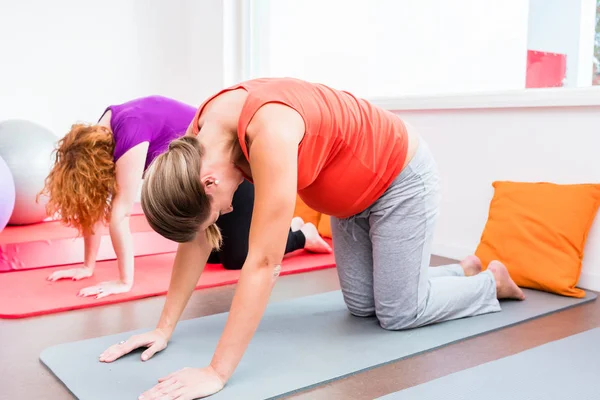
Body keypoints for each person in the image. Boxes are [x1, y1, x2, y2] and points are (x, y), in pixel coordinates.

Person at [98, 78, 525, 399]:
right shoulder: (196, 143)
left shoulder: (270, 133)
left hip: (400, 180)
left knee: (397, 314)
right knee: (362, 309)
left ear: (208, 181)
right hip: (350, 203)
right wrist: (163, 327)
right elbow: (195, 239)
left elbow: (264, 264)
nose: (227, 211)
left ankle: (490, 283)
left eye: (218, 209)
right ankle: (462, 270)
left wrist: (216, 372)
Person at [39, 95, 331, 299]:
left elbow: (120, 212)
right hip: (203, 190)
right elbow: (96, 203)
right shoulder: (103, 129)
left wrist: (123, 282)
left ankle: (301, 235)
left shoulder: (129, 130)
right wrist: (87, 266)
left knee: (237, 258)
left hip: (233, 176)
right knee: (209, 255)